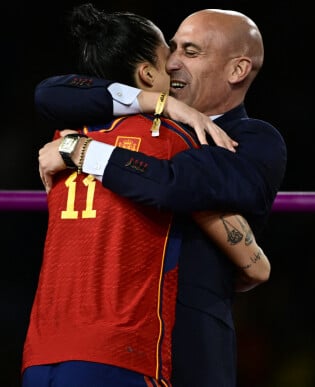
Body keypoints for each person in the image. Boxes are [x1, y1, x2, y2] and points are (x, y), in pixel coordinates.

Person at [35, 7, 286, 387]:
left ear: (237, 70)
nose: (170, 64)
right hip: (115, 341)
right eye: (171, 49)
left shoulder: (254, 140)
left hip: (191, 347)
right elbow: (49, 93)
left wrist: (83, 152)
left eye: (190, 51)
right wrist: (155, 103)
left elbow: (174, 184)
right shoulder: (144, 120)